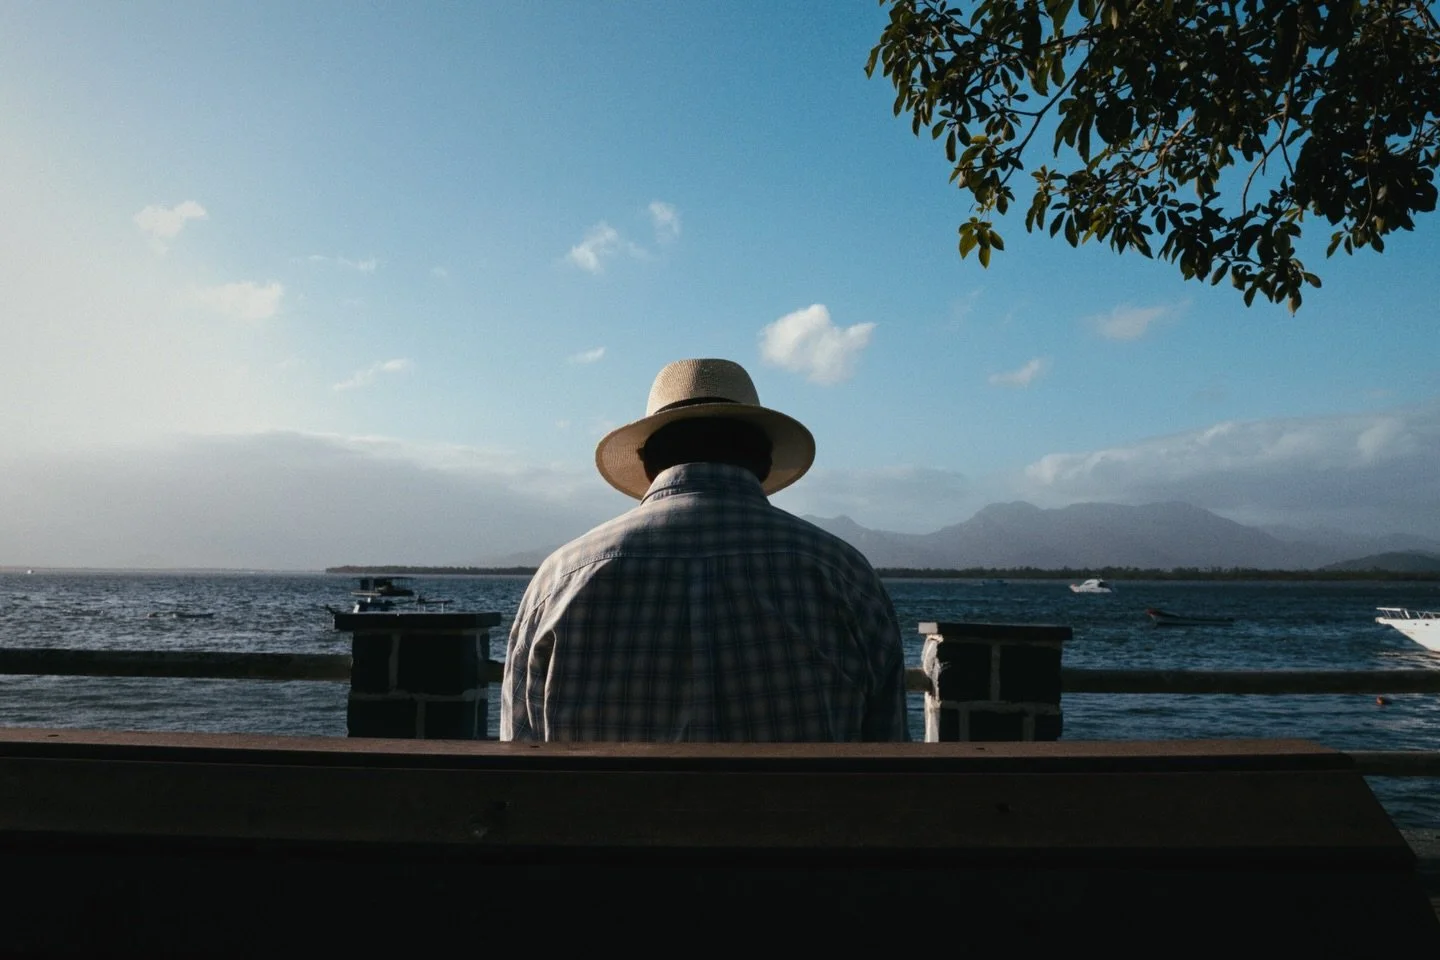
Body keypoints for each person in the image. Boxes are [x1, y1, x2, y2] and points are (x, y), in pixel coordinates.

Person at [501, 357, 909, 742]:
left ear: (647, 466)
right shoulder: (841, 573)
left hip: (604, 818)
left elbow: (517, 753)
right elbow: (890, 750)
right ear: (764, 462)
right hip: (800, 817)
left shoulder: (561, 579)